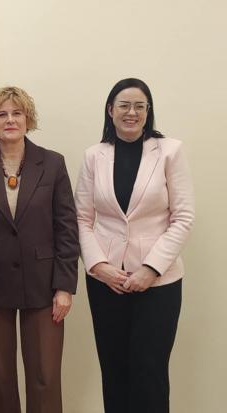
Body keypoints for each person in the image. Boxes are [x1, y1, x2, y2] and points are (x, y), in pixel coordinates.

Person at [0, 86, 79, 413]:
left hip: (44, 286)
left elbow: (67, 229)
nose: (10, 120)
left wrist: (64, 287)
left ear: (27, 119)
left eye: (17, 113)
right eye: (2, 114)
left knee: (45, 378)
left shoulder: (53, 164)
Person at [74, 78, 194, 413]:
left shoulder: (170, 151)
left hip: (159, 282)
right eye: (124, 105)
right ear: (110, 110)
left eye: (140, 106)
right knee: (114, 370)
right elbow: (81, 218)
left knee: (149, 371)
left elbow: (183, 217)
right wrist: (99, 266)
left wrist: (150, 269)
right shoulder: (94, 156)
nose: (132, 112)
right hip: (107, 282)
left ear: (148, 111)